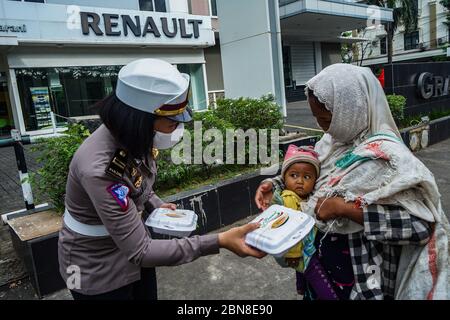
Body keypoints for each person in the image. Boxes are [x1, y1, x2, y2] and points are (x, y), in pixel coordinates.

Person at [58, 58, 265, 300]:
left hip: (132, 247)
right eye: (171, 123)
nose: (177, 130)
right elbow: (142, 252)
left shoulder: (131, 135)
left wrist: (154, 203)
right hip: (95, 269)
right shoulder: (99, 168)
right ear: (140, 119)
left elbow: (136, 181)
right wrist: (219, 241)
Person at [255, 63, 450, 300]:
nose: (323, 127)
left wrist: (346, 209)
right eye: (318, 119)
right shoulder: (331, 144)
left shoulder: (389, 158)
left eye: (326, 119)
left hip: (361, 284)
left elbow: (420, 228)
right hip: (318, 275)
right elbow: (308, 169)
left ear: (351, 110)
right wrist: (273, 185)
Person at [272, 144, 339, 300]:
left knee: (300, 270)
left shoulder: (302, 197)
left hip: (301, 248)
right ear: (284, 177)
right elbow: (291, 228)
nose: (300, 181)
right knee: (317, 276)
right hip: (301, 250)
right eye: (294, 175)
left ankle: (300, 287)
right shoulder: (289, 198)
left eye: (307, 177)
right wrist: (294, 253)